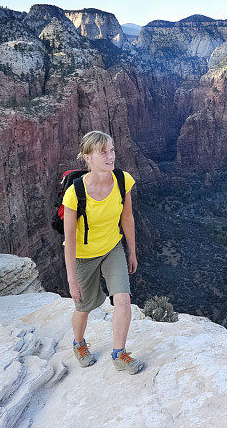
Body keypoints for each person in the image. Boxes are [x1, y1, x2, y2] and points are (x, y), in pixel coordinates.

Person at [63, 130, 145, 375]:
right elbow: (69, 240)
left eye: (112, 150)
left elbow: (127, 217)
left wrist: (131, 251)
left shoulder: (123, 180)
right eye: (104, 152)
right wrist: (72, 279)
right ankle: (79, 344)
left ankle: (119, 354)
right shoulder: (74, 193)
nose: (111, 157)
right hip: (83, 256)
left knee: (123, 300)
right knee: (83, 307)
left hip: (112, 248)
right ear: (87, 157)